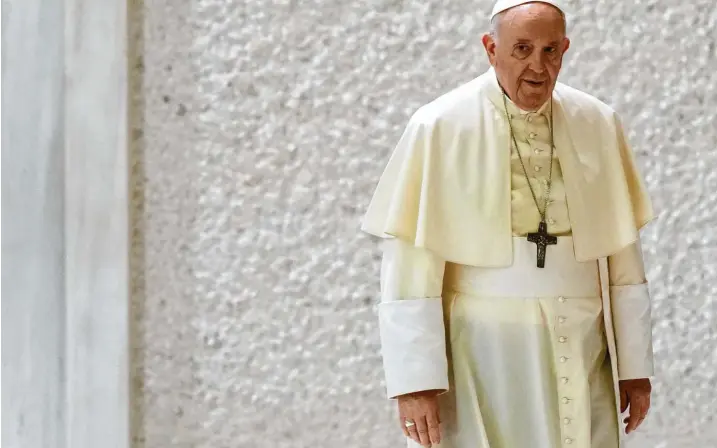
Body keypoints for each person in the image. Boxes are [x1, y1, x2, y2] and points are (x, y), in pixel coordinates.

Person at [360, 1, 656, 447]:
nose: (538, 66)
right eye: (522, 49)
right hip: (481, 348)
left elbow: (623, 256)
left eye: (550, 50)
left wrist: (634, 366)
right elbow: (409, 264)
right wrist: (415, 382)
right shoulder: (439, 125)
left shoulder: (597, 122)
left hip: (581, 339)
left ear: (565, 49)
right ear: (490, 48)